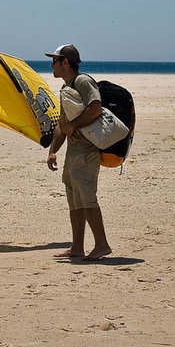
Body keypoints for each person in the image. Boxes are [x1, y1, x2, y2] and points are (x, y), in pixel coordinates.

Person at [45, 44, 112, 261]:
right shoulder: (67, 87)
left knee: (87, 199)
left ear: (66, 62)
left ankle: (101, 245)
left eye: (55, 60)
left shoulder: (83, 81)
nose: (52, 64)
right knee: (74, 201)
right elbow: (62, 124)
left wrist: (74, 126)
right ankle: (77, 247)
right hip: (73, 153)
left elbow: (96, 107)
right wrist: (53, 151)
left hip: (86, 151)